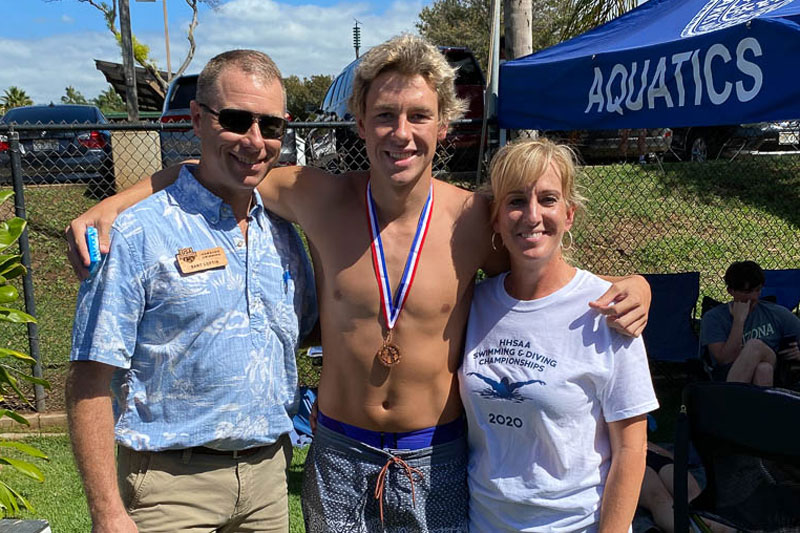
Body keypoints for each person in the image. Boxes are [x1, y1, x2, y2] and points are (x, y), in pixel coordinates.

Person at [65, 35, 652, 532]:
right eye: (385, 115)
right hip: (339, 453)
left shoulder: (476, 218)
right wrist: (115, 204)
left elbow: (540, 278)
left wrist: (633, 286)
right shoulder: (316, 197)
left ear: (444, 126)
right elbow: (212, 166)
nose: (401, 133)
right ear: (360, 122)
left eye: (419, 116)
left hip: (436, 456)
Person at [66, 50, 317, 533]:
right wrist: (106, 512)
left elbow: (302, 332)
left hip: (268, 484)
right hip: (170, 488)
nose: (255, 140)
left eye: (271, 126)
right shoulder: (137, 232)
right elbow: (88, 379)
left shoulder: (282, 232)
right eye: (237, 120)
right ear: (198, 119)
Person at [459, 138, 658, 532]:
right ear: (496, 218)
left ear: (569, 214)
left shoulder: (608, 310)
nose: (532, 215)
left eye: (547, 199)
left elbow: (631, 449)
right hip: (484, 522)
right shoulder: (475, 304)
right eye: (515, 201)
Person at [700, 260, 800, 386]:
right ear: (730, 291)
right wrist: (738, 321)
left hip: (772, 362)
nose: (753, 297)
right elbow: (725, 360)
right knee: (763, 370)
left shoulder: (775, 313)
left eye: (757, 290)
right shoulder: (714, 318)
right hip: (727, 373)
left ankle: (728, 400)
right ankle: (756, 405)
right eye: (747, 292)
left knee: (755, 346)